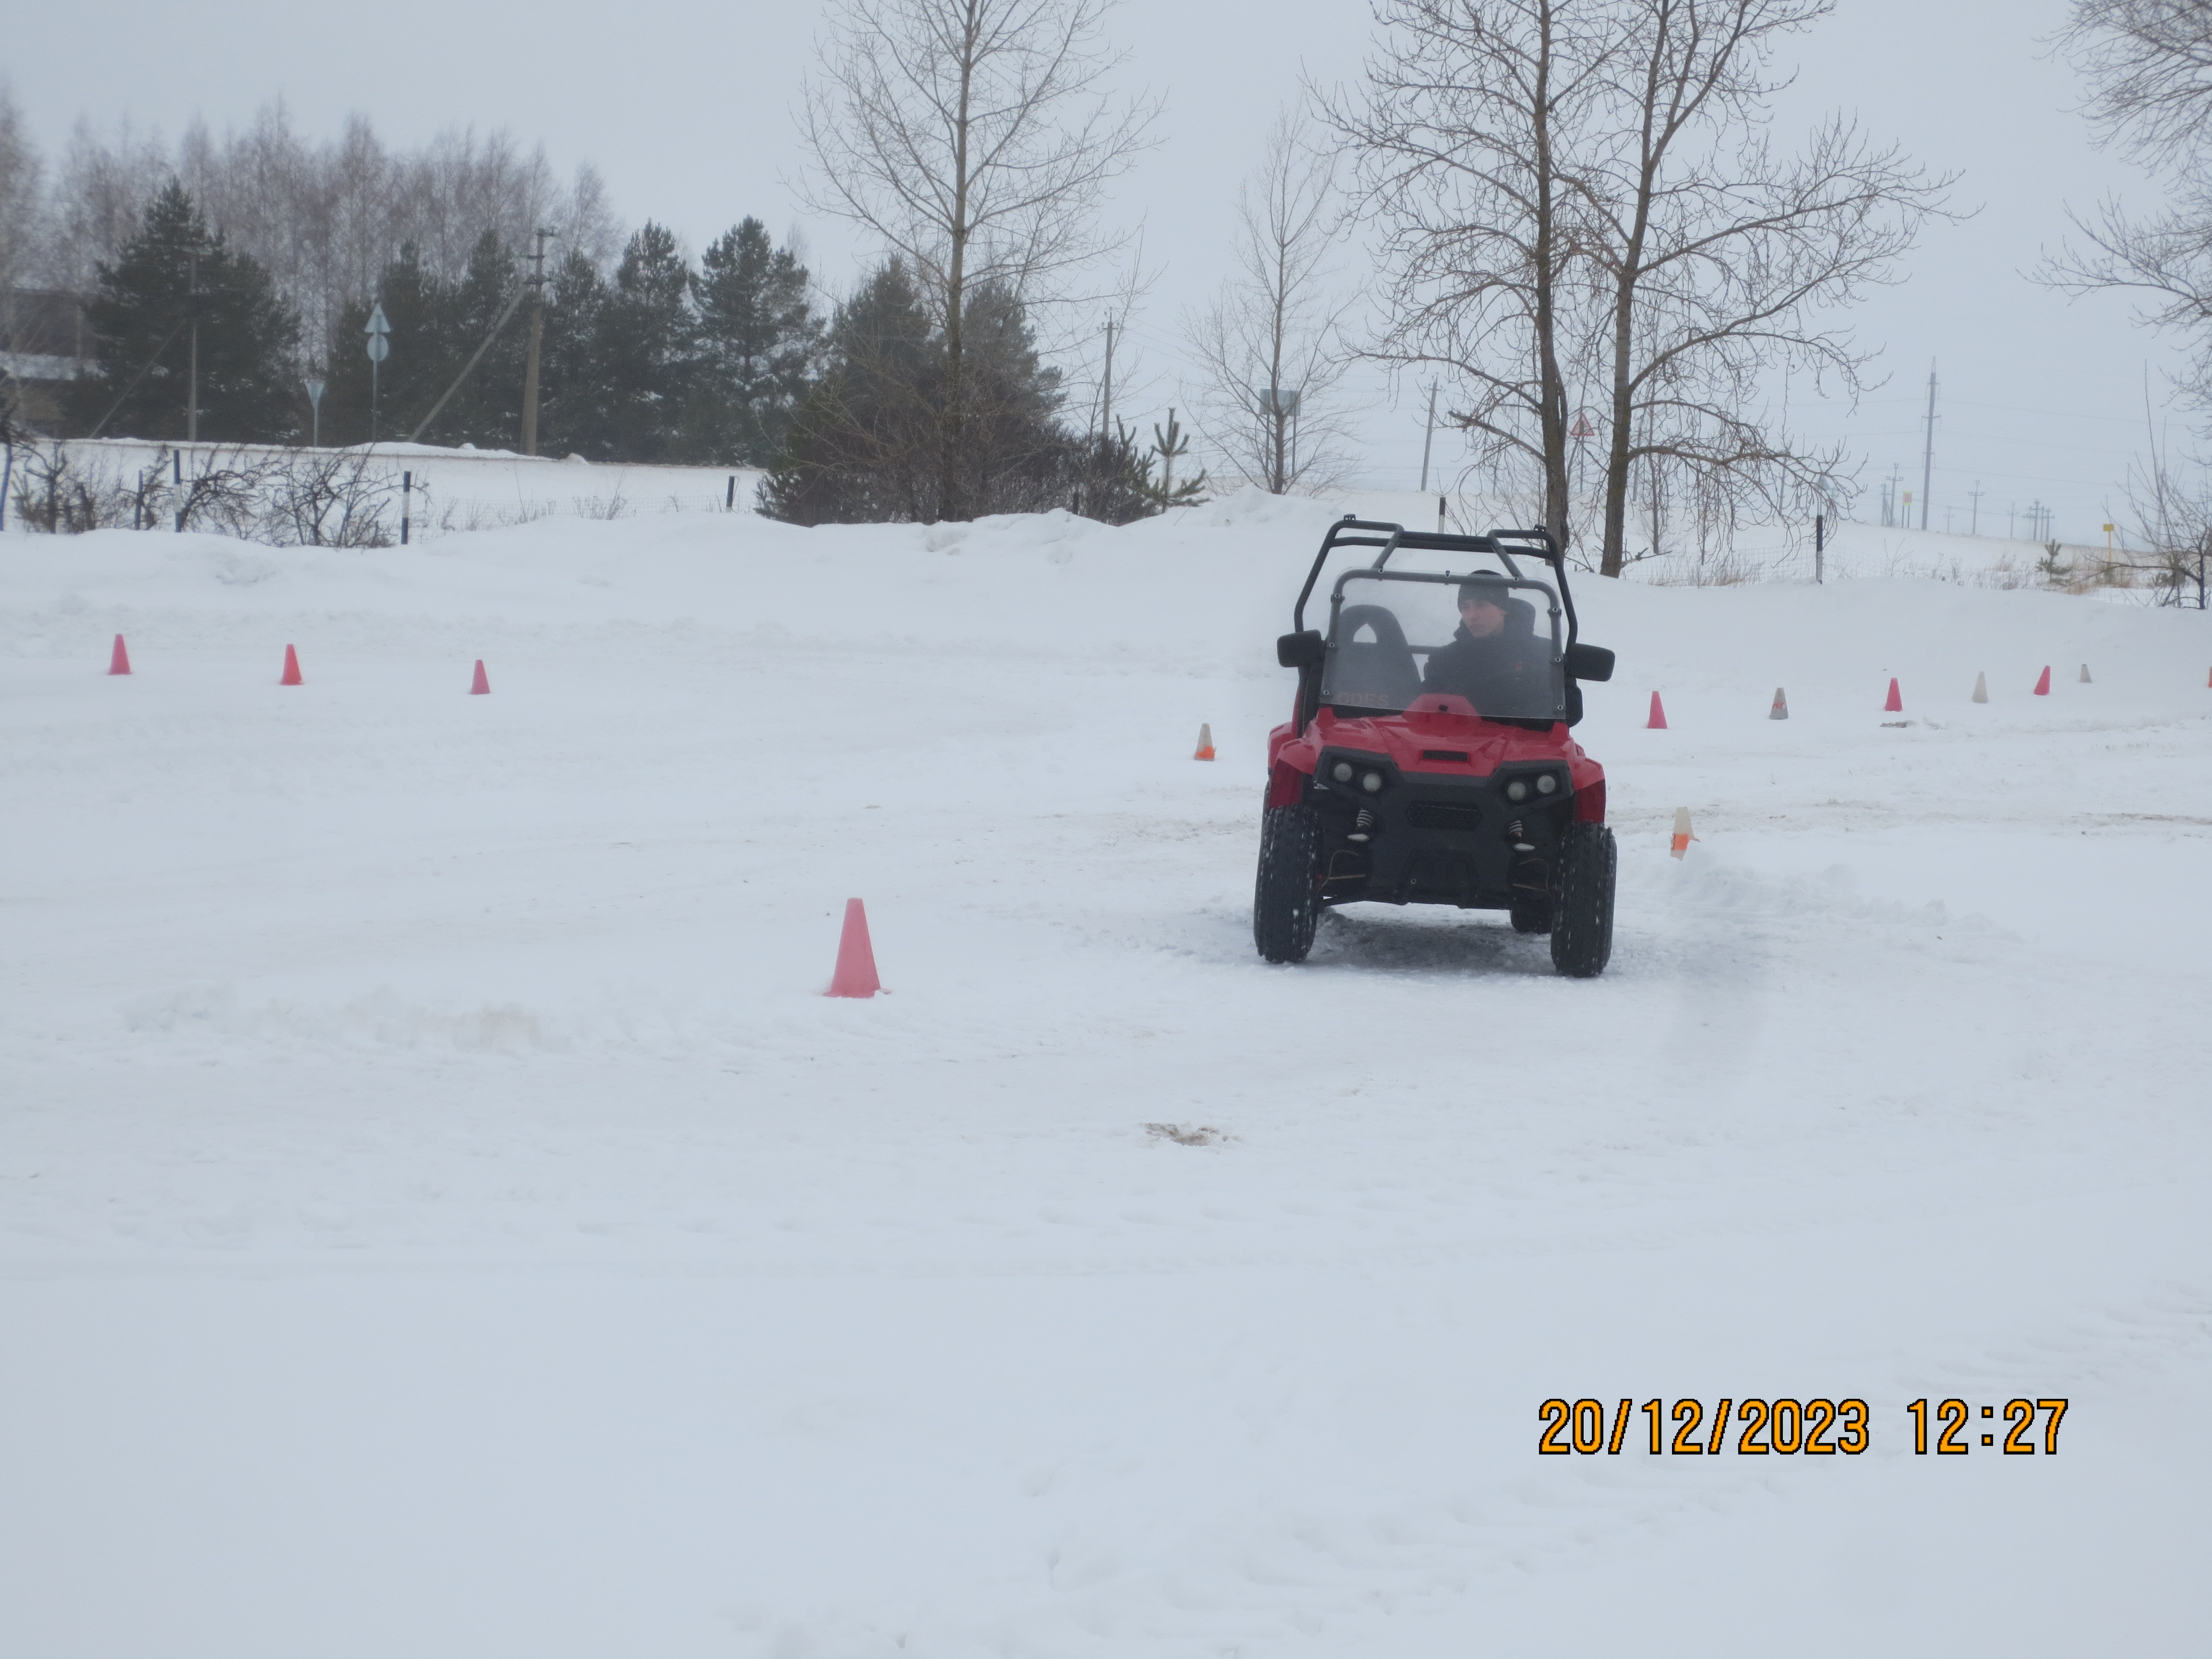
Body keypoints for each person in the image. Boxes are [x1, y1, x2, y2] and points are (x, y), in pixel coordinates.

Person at [1421, 574, 1545, 713]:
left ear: (1503, 609)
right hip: (1462, 734)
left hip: (1523, 734)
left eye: (1481, 605)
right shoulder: (1444, 660)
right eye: (1465, 607)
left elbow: (1568, 707)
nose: (1472, 616)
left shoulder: (1544, 654)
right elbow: (1422, 709)